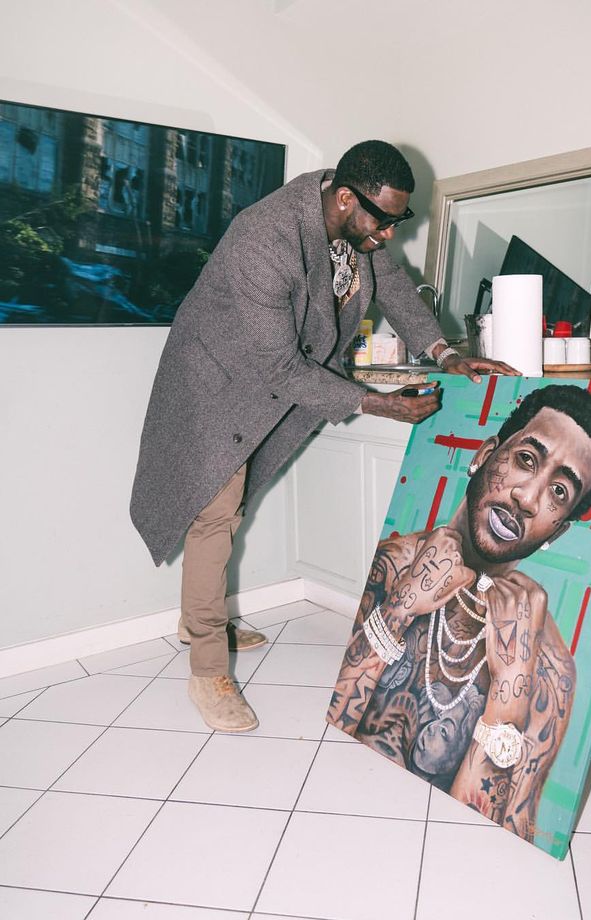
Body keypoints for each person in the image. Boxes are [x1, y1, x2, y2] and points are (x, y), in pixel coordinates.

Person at [130, 140, 517, 733]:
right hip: (211, 384)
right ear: (344, 198)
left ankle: (197, 615)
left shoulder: (352, 232)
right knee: (213, 512)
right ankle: (207, 666)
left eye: (397, 221)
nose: (388, 235)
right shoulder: (266, 240)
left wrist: (445, 353)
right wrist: (375, 403)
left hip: (267, 381)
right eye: (382, 220)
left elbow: (393, 286)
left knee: (229, 510)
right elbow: (283, 367)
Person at [327, 384, 591, 843]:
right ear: (483, 455)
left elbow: (497, 837)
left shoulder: (549, 672)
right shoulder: (392, 566)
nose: (527, 497)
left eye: (558, 491)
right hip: (343, 818)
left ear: (557, 532)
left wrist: (510, 687)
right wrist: (402, 605)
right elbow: (331, 732)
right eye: (526, 459)